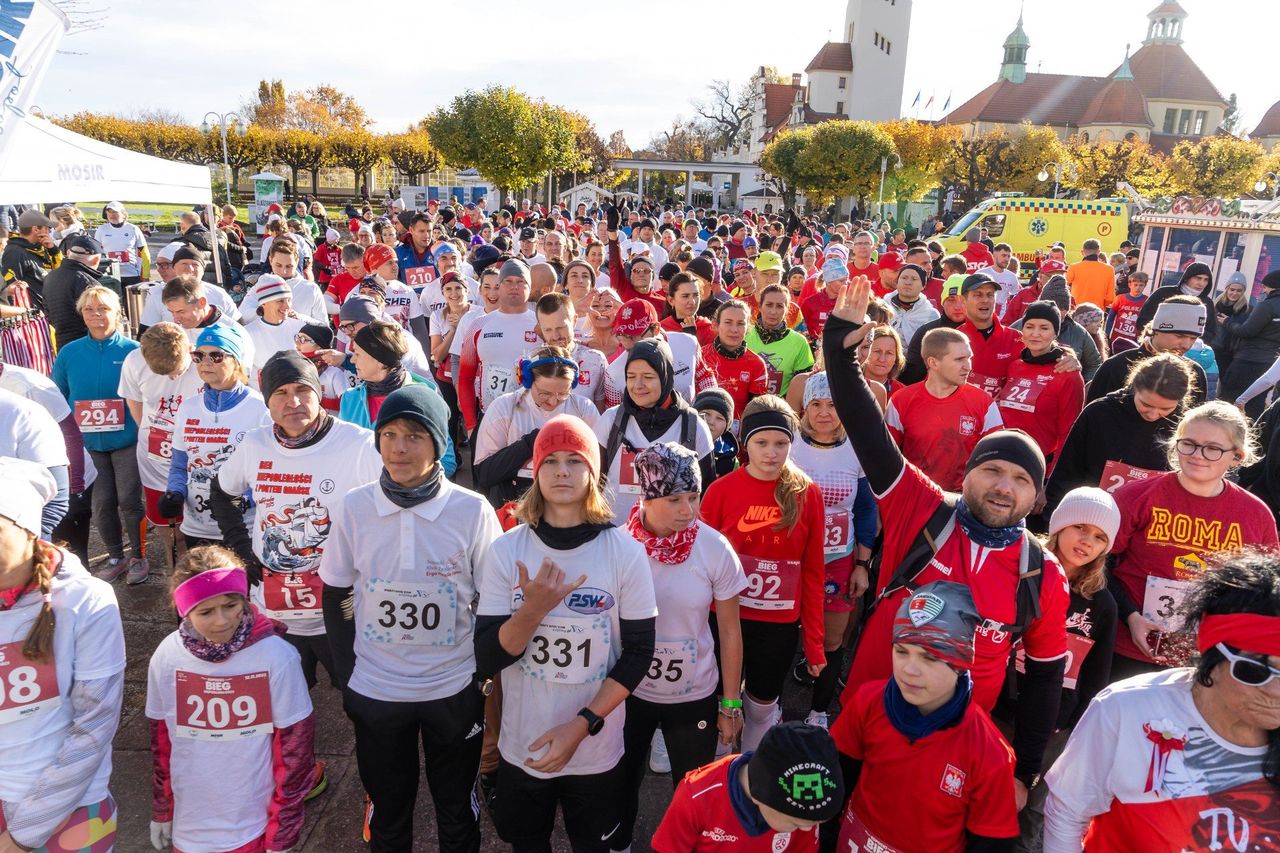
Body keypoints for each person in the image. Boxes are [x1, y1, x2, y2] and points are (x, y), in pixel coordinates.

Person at [821, 274, 1069, 802]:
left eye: (1022, 479)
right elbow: (865, 427)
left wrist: (1025, 773)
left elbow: (1046, 680)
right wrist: (838, 347)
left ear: (1038, 496)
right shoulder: (922, 508)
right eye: (993, 471)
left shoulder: (1043, 574)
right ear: (969, 474)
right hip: (867, 722)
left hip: (956, 753)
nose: (1004, 487)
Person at [320, 385, 501, 852]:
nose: (399, 447)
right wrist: (348, 675)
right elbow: (337, 588)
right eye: (391, 434)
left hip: (451, 689)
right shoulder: (355, 506)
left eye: (415, 436)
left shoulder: (471, 509)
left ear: (438, 445)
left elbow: (495, 599)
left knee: (457, 811)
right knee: (388, 814)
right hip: (378, 690)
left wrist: (479, 677)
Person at [474, 415, 658, 853]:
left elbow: (638, 653)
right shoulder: (507, 549)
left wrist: (583, 725)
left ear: (593, 472)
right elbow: (486, 658)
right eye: (550, 460)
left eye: (574, 460)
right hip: (524, 745)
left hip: (596, 746)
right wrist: (533, 610)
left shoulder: (625, 553)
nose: (561, 471)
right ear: (534, 471)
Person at [1042, 551, 1280, 851]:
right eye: (1254, 670)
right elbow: (1067, 812)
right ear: (1210, 656)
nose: (1275, 692)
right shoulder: (1126, 709)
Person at [211, 351, 382, 690]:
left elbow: (391, 507)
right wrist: (242, 551)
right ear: (267, 401)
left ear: (317, 393)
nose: (294, 402)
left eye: (302, 390)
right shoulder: (256, 443)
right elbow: (222, 492)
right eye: (281, 393)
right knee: (280, 704)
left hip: (340, 614)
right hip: (274, 611)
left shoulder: (359, 444)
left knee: (357, 701)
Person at [611, 442, 747, 853]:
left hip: (693, 694)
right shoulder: (618, 547)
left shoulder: (713, 547)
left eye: (694, 496)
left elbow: (729, 631)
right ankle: (618, 843)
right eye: (674, 499)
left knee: (694, 789)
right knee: (621, 780)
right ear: (647, 497)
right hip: (628, 693)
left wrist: (731, 705)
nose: (688, 510)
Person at [146, 545, 316, 853]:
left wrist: (283, 832)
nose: (222, 621)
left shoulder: (277, 657)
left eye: (231, 605)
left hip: (253, 825)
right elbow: (161, 741)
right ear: (184, 611)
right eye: (205, 612)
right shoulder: (168, 656)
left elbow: (295, 751)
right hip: (190, 825)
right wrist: (163, 808)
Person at [828, 582, 1019, 852]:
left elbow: (991, 843)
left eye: (930, 658)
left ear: (961, 662)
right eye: (901, 651)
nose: (910, 670)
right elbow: (834, 784)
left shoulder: (990, 752)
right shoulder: (867, 702)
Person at [0, 459, 126, 853]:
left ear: (27, 528)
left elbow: (95, 724)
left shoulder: (85, 599)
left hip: (70, 808)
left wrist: (22, 838)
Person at [1108, 402, 1278, 680]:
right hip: (1129, 646)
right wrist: (1130, 616)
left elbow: (1264, 594)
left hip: (1210, 658)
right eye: (1188, 444)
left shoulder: (1256, 514)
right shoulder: (1135, 496)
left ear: (1237, 456)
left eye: (1213, 448)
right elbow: (1098, 565)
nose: (1198, 455)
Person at [701, 395, 827, 750]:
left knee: (761, 707)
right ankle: (716, 776)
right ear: (746, 444)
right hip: (724, 618)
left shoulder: (807, 494)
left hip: (777, 624)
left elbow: (814, 572)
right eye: (761, 443)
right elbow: (699, 565)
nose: (771, 452)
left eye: (781, 443)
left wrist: (814, 644)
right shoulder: (720, 491)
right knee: (721, 704)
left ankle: (751, 775)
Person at [998, 488, 1120, 851]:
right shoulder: (1021, 571)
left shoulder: (1102, 603)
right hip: (1002, 707)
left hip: (1056, 723)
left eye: (1100, 537)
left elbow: (1096, 677)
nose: (1087, 541)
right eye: (1080, 527)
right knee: (990, 793)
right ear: (1058, 526)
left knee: (1036, 808)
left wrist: (1074, 727)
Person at [789, 372, 876, 729]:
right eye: (816, 405)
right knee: (782, 633)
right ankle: (771, 706)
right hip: (791, 559)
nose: (824, 413)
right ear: (805, 408)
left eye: (833, 405)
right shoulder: (789, 444)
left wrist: (862, 564)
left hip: (838, 560)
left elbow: (867, 510)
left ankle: (819, 711)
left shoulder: (858, 448)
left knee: (832, 638)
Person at [51, 285, 147, 583]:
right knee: (102, 503)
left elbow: (147, 395)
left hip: (126, 440)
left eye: (103, 309)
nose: (97, 316)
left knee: (131, 500)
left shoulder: (133, 351)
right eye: (90, 310)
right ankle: (116, 555)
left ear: (117, 312)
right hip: (88, 445)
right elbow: (57, 395)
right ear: (82, 314)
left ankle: (139, 557)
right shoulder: (69, 352)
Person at [652, 721, 844, 853]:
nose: (807, 829)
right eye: (794, 823)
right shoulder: (696, 795)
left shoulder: (805, 813)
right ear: (761, 795)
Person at [157, 324, 269, 548]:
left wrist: (242, 501)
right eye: (198, 355)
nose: (206, 362)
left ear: (236, 360)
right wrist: (175, 494)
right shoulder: (188, 407)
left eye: (216, 355)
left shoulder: (260, 408)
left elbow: (267, 474)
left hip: (242, 528)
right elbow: (180, 466)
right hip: (196, 528)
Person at [1045, 353, 1193, 517]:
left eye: (1165, 409)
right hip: (1092, 516)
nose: (1153, 414)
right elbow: (1067, 471)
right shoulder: (1099, 413)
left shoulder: (1187, 427)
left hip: (1150, 523)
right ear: (1135, 387)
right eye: (1146, 404)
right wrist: (1054, 516)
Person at [595, 338, 716, 525]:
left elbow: (706, 495)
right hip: (614, 540)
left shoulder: (693, 426)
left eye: (648, 377)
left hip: (670, 544)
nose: (638, 385)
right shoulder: (612, 420)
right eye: (631, 376)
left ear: (666, 376)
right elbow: (591, 484)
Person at [118, 321, 204, 574]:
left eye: (177, 371)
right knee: (169, 529)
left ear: (190, 349)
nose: (173, 378)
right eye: (164, 375)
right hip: (155, 458)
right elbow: (135, 405)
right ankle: (174, 571)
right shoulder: (133, 361)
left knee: (197, 524)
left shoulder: (205, 359)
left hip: (198, 456)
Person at [474, 345, 599, 508]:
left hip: (568, 504)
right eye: (544, 393)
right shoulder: (505, 407)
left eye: (563, 394)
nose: (553, 402)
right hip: (516, 503)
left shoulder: (583, 409)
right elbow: (485, 473)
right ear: (527, 380)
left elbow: (597, 470)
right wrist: (532, 442)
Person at [885, 327, 1004, 491]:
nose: (967, 366)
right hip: (914, 498)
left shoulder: (984, 403)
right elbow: (886, 458)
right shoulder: (901, 401)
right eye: (959, 359)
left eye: (969, 358)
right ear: (933, 362)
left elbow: (997, 457)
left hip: (964, 502)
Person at [338, 320, 458, 477]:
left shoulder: (423, 398)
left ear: (380, 361)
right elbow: (340, 454)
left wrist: (400, 477)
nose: (352, 360)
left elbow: (447, 462)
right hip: (362, 495)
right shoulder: (350, 399)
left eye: (357, 354)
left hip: (410, 498)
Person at [0, 362, 88, 559]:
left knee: (72, 551)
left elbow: (71, 434)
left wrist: (76, 489)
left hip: (67, 474)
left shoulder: (28, 391)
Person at [997, 302, 1086, 473]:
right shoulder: (1014, 366)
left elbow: (1068, 434)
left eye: (1044, 328)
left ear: (1055, 333)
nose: (1035, 334)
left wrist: (1050, 481)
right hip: (1001, 455)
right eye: (1029, 326)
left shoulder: (1068, 374)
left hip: (1038, 465)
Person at [457, 259, 539, 435]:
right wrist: (471, 425)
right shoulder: (478, 325)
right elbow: (465, 378)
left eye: (521, 282)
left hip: (531, 423)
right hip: (489, 419)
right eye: (508, 281)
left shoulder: (541, 324)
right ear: (500, 286)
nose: (514, 287)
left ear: (530, 287)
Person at [1087, 297, 1209, 404]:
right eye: (1180, 336)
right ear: (1157, 329)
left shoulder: (1195, 373)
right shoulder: (1116, 367)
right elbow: (1092, 418)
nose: (1187, 345)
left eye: (1194, 338)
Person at [533, 292, 609, 411]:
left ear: (574, 320)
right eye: (547, 330)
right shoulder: (531, 363)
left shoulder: (595, 360)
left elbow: (600, 408)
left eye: (560, 328)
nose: (555, 336)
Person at [1220, 270, 1280, 419]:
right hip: (1270, 361)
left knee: (1229, 397)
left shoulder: (1266, 305)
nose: (1263, 290)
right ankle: (1251, 435)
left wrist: (1227, 322)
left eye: (1265, 287)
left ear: (1272, 287)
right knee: (1256, 402)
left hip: (1248, 359)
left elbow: (1247, 331)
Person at [242, 275, 320, 389]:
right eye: (280, 301)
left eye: (289, 300)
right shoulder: (247, 333)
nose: (287, 306)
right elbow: (244, 375)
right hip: (263, 399)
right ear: (263, 304)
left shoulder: (301, 327)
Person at [40, 233, 114, 347]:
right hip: (86, 344)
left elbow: (46, 310)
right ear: (96, 260)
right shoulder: (88, 282)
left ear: (69, 253)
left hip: (59, 343)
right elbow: (99, 318)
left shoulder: (50, 276)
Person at [702, 300, 769, 425]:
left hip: (737, 436)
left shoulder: (757, 364)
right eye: (728, 322)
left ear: (748, 327)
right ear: (716, 325)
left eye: (740, 324)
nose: (734, 330)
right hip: (701, 429)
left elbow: (756, 412)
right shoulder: (700, 356)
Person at [900, 273, 969, 385]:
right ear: (943, 302)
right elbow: (910, 376)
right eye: (951, 300)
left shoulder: (983, 332)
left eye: (963, 300)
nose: (958, 306)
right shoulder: (926, 333)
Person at [746, 284, 814, 397]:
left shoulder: (799, 342)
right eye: (769, 305)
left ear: (787, 309)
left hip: (780, 410)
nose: (773, 311)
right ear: (760, 306)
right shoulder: (744, 334)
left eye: (779, 306)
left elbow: (804, 386)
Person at [93, 201, 151, 287]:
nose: (111, 215)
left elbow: (144, 253)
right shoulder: (102, 229)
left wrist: (146, 275)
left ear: (123, 214)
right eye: (109, 212)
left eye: (115, 212)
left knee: (133, 300)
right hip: (109, 274)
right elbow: (96, 252)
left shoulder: (133, 229)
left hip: (131, 275)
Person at [1004, 260, 1067, 326]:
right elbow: (1007, 323)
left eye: (1060, 277)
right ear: (1040, 276)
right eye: (1051, 276)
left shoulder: (1068, 299)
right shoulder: (1023, 295)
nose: (1056, 280)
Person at [694, 387, 739, 479]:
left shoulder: (731, 461)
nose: (711, 422)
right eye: (706, 413)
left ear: (727, 426)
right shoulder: (678, 444)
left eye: (720, 418)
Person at [660, 272, 714, 346]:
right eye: (685, 296)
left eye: (696, 295)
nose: (692, 301)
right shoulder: (662, 330)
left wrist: (691, 336)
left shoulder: (709, 329)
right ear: (671, 300)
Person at [1065, 240, 1116, 313]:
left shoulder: (1074, 267)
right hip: (1098, 310)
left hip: (1076, 309)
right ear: (1098, 252)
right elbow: (1110, 296)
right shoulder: (1109, 269)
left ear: (1082, 252)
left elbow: (1064, 284)